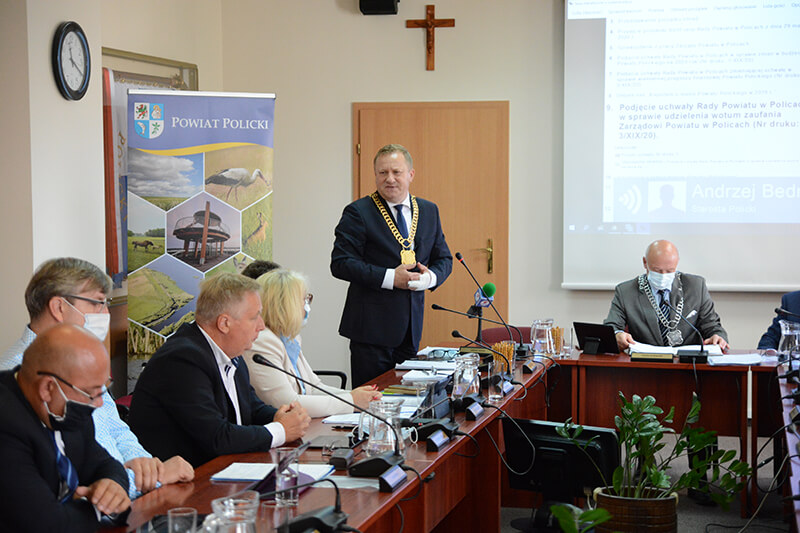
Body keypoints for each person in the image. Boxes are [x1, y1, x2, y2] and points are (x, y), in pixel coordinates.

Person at [0, 257, 193, 498]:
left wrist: (148, 470)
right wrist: (155, 477)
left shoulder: (81, 359)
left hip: (132, 497)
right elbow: (73, 485)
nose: (106, 313)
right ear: (59, 307)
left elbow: (118, 431)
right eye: (98, 303)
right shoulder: (22, 376)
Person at [128, 272, 311, 467]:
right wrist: (281, 430)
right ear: (224, 323)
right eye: (254, 317)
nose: (261, 325)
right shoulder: (182, 360)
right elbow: (217, 438)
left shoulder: (230, 352)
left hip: (222, 469)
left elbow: (251, 407)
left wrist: (282, 416)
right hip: (183, 477)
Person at [331, 144, 453, 386]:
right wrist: (390, 278)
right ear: (375, 175)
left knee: (409, 399)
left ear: (411, 174)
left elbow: (444, 259)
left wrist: (429, 279)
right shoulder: (358, 212)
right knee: (372, 401)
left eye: (396, 172)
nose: (390, 179)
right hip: (371, 332)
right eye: (382, 172)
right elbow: (341, 263)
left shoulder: (429, 210)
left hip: (410, 330)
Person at [0, 324, 130, 532]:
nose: (98, 404)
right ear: (47, 388)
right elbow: (47, 524)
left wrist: (112, 486)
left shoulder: (65, 408)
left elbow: (104, 464)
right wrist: (98, 509)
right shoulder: (7, 424)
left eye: (101, 391)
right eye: (90, 393)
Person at [244, 269, 382, 417]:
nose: (307, 305)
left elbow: (314, 387)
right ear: (285, 304)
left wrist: (359, 396)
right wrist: (351, 401)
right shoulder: (262, 341)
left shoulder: (290, 338)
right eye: (304, 299)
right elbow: (286, 402)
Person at [604, 240, 728, 352]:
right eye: (657, 270)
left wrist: (717, 337)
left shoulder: (695, 287)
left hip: (686, 363)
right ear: (645, 263)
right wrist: (617, 335)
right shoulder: (626, 291)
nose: (663, 276)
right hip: (644, 362)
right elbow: (611, 327)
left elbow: (712, 326)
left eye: (669, 271)